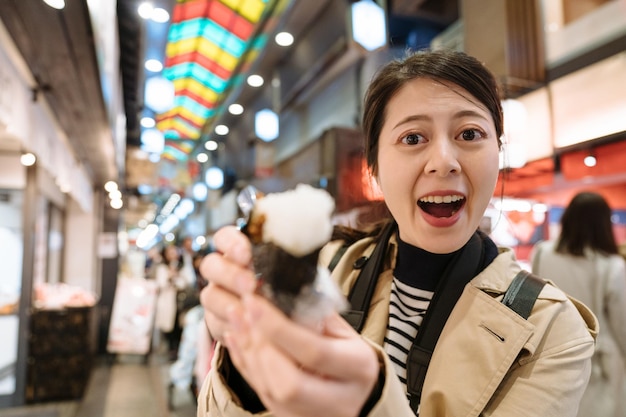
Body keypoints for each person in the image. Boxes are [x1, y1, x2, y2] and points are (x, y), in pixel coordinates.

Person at [197, 49, 598, 417]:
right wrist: (243, 358)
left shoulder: (553, 329)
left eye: (470, 134)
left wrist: (373, 402)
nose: (444, 161)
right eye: (412, 138)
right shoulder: (327, 268)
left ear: (499, 151)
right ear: (373, 169)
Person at [531, 191, 626, 417]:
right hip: (599, 360)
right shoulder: (610, 265)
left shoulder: (543, 252)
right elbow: (622, 322)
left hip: (550, 349)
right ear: (604, 224)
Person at [155, 244, 193, 360]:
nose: (173, 255)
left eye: (174, 252)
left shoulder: (183, 267)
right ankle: (171, 350)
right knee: (168, 327)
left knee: (180, 326)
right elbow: (160, 284)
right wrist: (170, 276)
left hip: (181, 303)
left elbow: (189, 282)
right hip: (168, 303)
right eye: (170, 253)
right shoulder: (162, 268)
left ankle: (178, 350)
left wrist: (178, 276)